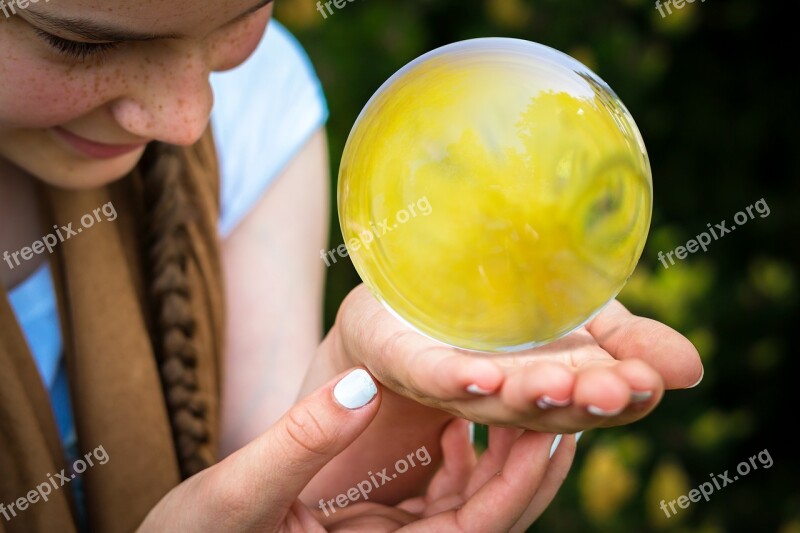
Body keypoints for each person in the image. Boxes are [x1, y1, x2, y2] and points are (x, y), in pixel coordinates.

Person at [0, 1, 703, 531]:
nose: (186, 120)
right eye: (76, 42)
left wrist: (376, 408)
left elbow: (269, 480)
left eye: (240, 17)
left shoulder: (257, 106)